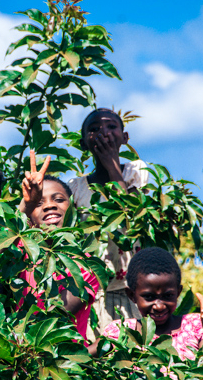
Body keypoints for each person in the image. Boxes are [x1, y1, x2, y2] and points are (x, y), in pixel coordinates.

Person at [67, 108, 149, 334]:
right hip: (94, 291)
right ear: (84, 143)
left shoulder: (136, 172)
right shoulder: (76, 187)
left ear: (125, 138)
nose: (103, 132)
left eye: (111, 127)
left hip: (133, 290)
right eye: (94, 129)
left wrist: (113, 165)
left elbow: (131, 213)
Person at [20, 151, 99, 342]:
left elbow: (54, 317)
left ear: (73, 208)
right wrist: (25, 204)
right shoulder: (19, 253)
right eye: (38, 203)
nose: (49, 206)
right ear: (29, 218)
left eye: (59, 199)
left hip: (63, 361)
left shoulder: (84, 265)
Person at [97, 247, 203, 360]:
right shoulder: (120, 332)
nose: (159, 306)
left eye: (168, 296)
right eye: (149, 297)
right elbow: (83, 357)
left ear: (178, 292)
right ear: (132, 295)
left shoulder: (196, 326)